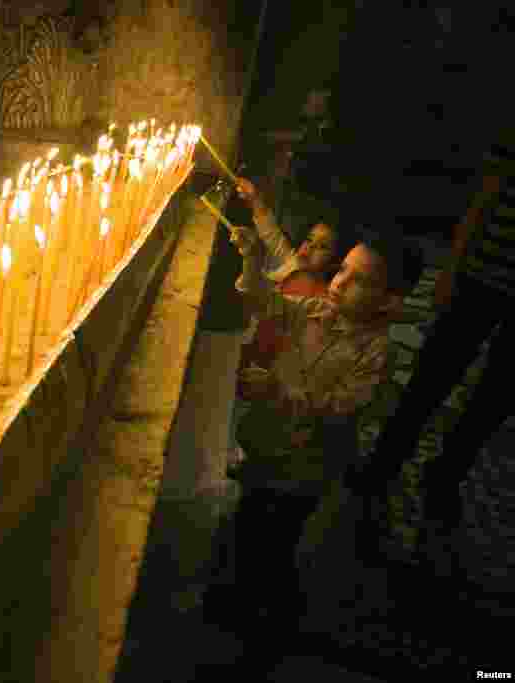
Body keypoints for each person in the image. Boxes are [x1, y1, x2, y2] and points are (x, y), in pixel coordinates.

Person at [203, 219, 424, 668]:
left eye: (359, 280)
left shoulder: (377, 353)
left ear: (390, 301)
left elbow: (345, 404)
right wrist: (250, 257)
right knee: (248, 526)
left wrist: (280, 394)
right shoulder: (315, 310)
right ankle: (232, 605)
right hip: (268, 448)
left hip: (304, 471)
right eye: (342, 269)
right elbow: (264, 299)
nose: (340, 282)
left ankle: (271, 629)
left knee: (274, 541)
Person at [345, 128, 515, 559]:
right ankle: (383, 467)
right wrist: (453, 269)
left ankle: (444, 477)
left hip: (488, 277)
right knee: (433, 376)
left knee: (495, 396)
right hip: (483, 274)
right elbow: (486, 198)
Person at [227, 179, 355, 474]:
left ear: (336, 262)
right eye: (309, 239)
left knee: (258, 403)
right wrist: (255, 200)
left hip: (279, 360)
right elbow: (271, 235)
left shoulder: (324, 303)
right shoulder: (291, 265)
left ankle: (246, 456)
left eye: (322, 248)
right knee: (241, 386)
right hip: (257, 341)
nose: (308, 249)